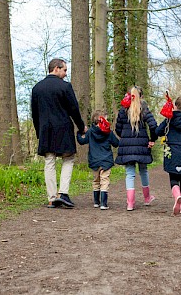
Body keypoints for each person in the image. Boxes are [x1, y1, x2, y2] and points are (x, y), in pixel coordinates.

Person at [31, 58, 87, 209]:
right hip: (63, 128)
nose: (65, 73)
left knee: (49, 161)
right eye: (64, 70)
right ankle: (63, 193)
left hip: (45, 130)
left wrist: (39, 133)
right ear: (56, 68)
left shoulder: (37, 88)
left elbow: (34, 114)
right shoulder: (65, 87)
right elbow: (74, 110)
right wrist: (82, 127)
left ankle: (51, 198)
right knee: (68, 159)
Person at [115, 86, 158, 211]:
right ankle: (147, 198)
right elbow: (153, 125)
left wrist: (124, 136)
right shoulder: (143, 108)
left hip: (126, 146)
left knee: (129, 173)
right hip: (142, 145)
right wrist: (152, 139)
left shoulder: (123, 110)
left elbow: (118, 128)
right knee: (143, 170)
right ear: (141, 97)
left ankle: (130, 203)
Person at [77, 110, 119, 210]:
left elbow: (82, 141)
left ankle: (96, 202)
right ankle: (104, 204)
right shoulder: (108, 132)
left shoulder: (91, 132)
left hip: (94, 160)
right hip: (106, 161)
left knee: (96, 181)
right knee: (104, 181)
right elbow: (116, 143)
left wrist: (79, 133)